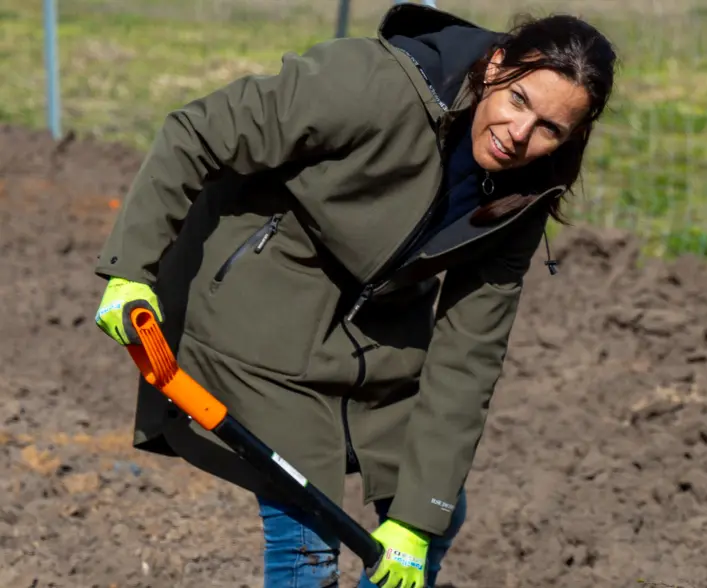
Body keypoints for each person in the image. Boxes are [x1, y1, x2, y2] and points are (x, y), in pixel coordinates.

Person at [89, 4, 616, 587]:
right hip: (252, 313)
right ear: (495, 66)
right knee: (309, 535)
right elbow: (199, 130)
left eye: (551, 129)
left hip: (370, 345)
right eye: (520, 101)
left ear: (576, 134)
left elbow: (469, 355)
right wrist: (130, 272)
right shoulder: (374, 85)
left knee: (431, 513)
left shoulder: (523, 198)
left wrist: (416, 524)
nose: (520, 135)